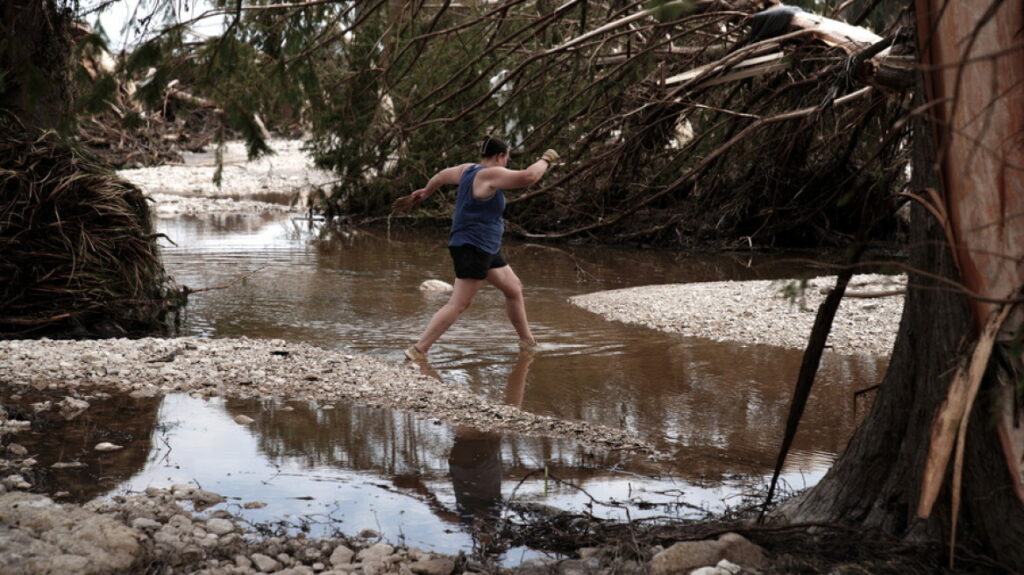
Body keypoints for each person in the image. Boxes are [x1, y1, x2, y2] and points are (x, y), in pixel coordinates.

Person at [397, 136, 560, 360]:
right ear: (499, 156)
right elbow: (528, 177)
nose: (507, 163)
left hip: (485, 247)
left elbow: (442, 175)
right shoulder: (488, 174)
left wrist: (427, 191)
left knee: (513, 289)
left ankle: (527, 343)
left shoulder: (467, 170)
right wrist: (546, 159)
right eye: (507, 158)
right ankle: (418, 350)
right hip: (473, 247)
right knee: (458, 304)